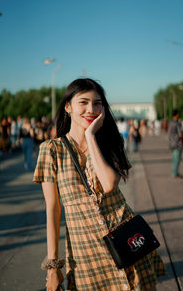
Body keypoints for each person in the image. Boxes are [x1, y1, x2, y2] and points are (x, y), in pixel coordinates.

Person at [33, 78, 165, 291]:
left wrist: (91, 136)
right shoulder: (51, 150)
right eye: (83, 102)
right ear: (68, 107)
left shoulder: (107, 142)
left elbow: (109, 184)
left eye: (97, 103)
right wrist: (52, 266)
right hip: (86, 250)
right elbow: (53, 209)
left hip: (125, 239)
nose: (91, 109)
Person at [168, 109, 183, 178]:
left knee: (174, 159)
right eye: (179, 113)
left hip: (172, 143)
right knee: (177, 159)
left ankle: (174, 172)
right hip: (178, 144)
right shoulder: (177, 123)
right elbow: (180, 135)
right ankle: (175, 173)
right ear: (176, 114)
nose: (179, 115)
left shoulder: (170, 123)